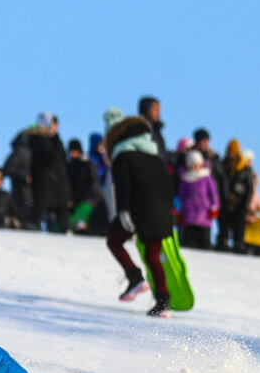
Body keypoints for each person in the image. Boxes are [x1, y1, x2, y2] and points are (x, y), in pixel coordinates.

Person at [105, 115, 175, 315]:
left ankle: (134, 277)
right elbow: (169, 188)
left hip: (137, 209)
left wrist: (124, 211)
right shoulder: (156, 159)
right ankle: (163, 303)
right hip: (160, 212)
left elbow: (123, 186)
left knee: (114, 241)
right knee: (152, 256)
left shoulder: (123, 156)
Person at [29, 113, 74, 233]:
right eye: (53, 124)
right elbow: (48, 156)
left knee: (62, 212)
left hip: (58, 183)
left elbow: (62, 161)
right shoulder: (37, 139)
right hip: (43, 183)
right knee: (39, 211)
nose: (55, 127)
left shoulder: (56, 141)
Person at [176, 149, 219, 250]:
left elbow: (213, 193)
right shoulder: (185, 178)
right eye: (193, 165)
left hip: (204, 213)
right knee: (188, 237)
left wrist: (214, 206)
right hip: (189, 212)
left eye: (197, 164)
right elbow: (181, 195)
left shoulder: (206, 177)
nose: (195, 167)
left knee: (204, 239)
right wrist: (179, 209)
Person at [221, 140, 255, 254]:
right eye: (230, 153)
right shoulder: (223, 167)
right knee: (224, 227)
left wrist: (245, 204)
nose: (232, 156)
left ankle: (239, 246)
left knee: (239, 229)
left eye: (234, 153)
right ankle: (223, 244)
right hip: (225, 203)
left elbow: (249, 189)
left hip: (240, 204)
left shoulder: (244, 170)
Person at [66, 139, 105, 235]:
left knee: (83, 226)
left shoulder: (87, 165)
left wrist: (89, 198)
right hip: (72, 201)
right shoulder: (68, 166)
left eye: (76, 151)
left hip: (85, 201)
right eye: (72, 151)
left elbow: (93, 182)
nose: (74, 154)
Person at [137, 96, 169, 161]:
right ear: (146, 109)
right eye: (155, 109)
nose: (158, 113)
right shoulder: (139, 129)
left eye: (159, 110)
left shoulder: (157, 132)